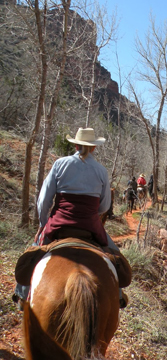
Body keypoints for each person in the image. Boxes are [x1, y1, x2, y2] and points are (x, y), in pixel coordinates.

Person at [13, 127, 128, 307]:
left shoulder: (60, 164)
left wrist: (44, 225)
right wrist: (90, 214)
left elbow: (43, 200)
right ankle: (119, 296)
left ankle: (21, 294)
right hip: (91, 226)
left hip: (59, 224)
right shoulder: (101, 171)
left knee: (34, 251)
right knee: (115, 256)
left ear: (75, 145)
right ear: (94, 148)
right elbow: (105, 206)